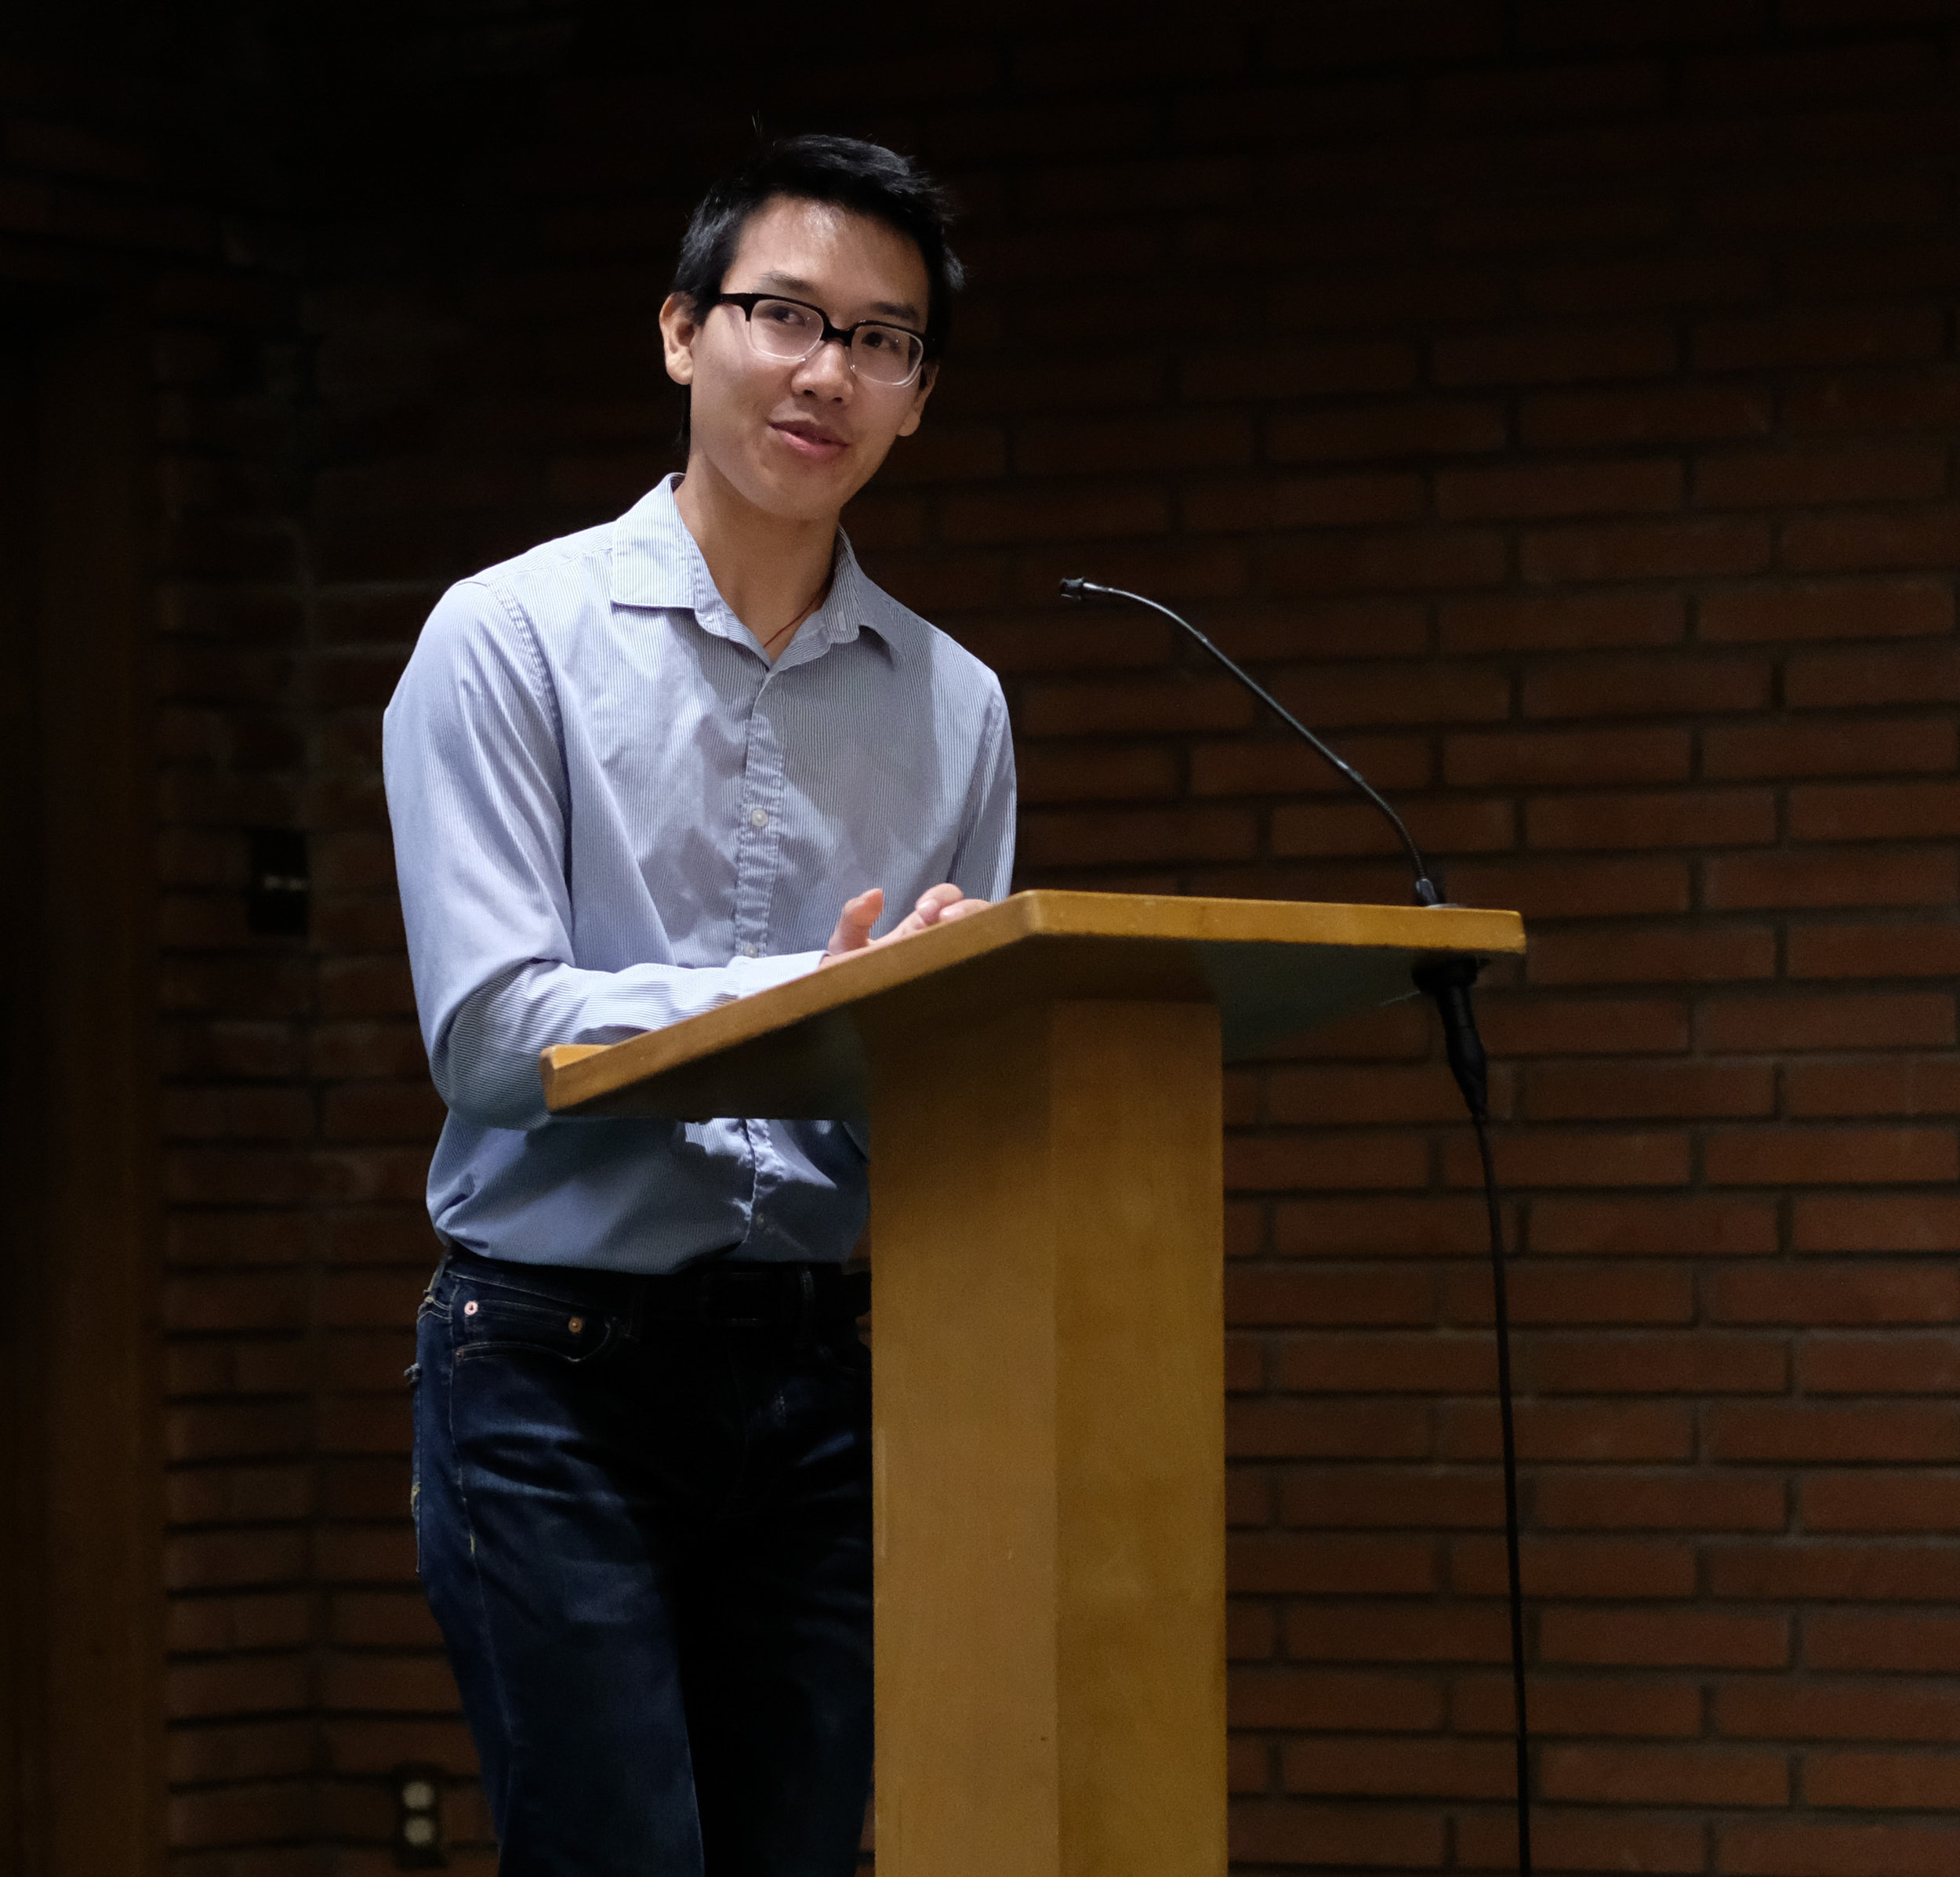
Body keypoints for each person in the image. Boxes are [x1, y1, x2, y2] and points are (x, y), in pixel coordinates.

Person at [382, 133, 1015, 1877]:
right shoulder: (503, 640)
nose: (827, 370)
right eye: (784, 315)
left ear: (916, 400)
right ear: (680, 334)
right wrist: (820, 990)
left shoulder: (958, 709)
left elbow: (921, 1098)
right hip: (551, 1368)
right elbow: (497, 1038)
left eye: (881, 341)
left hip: (817, 1374)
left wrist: (951, 1012)